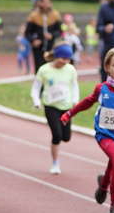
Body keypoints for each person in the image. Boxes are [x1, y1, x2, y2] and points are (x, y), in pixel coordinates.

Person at [60, 48, 114, 213]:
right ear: (107, 67)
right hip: (104, 134)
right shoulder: (102, 88)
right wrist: (69, 113)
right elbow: (87, 102)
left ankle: (104, 185)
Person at [31, 43, 79, 174]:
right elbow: (36, 87)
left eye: (68, 59)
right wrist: (36, 101)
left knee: (66, 137)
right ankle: (55, 163)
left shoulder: (71, 69)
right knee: (57, 135)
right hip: (51, 106)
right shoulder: (44, 70)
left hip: (67, 107)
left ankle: (60, 143)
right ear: (56, 56)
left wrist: (75, 100)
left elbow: (74, 86)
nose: (65, 62)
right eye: (63, 58)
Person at [25, 0, 63, 71]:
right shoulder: (33, 16)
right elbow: (27, 33)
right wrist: (33, 40)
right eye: (44, 2)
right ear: (40, 3)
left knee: (51, 67)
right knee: (39, 68)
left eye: (48, 3)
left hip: (51, 46)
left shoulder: (55, 15)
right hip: (38, 47)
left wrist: (52, 35)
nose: (46, 5)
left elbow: (59, 31)